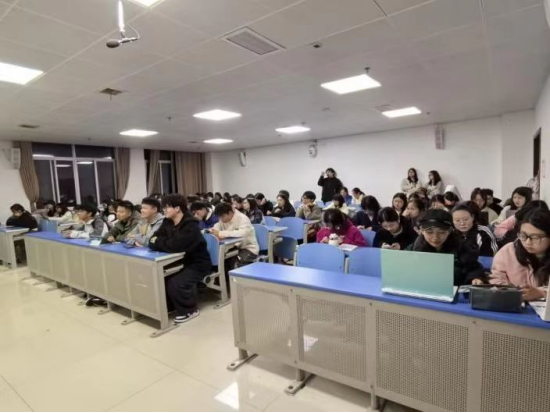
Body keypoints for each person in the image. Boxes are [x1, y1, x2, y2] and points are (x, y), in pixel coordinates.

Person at [149, 195, 212, 324]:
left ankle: (190, 310)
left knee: (175, 282)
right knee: (160, 277)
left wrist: (161, 242)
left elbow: (177, 246)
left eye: (167, 207)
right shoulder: (167, 222)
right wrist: (165, 242)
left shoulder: (191, 225)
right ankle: (171, 307)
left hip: (198, 263)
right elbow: (152, 240)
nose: (164, 210)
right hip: (178, 261)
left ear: (177, 208)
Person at [407, 209, 486, 286]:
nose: (435, 237)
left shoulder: (462, 247)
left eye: (441, 232)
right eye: (429, 232)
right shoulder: (414, 249)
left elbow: (473, 268)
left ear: (449, 231)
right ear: (421, 231)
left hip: (455, 290)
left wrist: (475, 278)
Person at [490, 209, 550, 301]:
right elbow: (496, 279)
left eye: (535, 237)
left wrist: (541, 293)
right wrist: (508, 291)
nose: (528, 242)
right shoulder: (508, 251)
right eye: (523, 236)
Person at [212, 203, 260, 269]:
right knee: (220, 262)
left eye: (222, 216)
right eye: (219, 217)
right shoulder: (222, 219)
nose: (221, 219)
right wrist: (214, 232)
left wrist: (221, 233)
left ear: (230, 213)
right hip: (233, 248)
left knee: (236, 265)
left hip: (248, 248)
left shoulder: (243, 219)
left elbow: (241, 233)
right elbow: (217, 227)